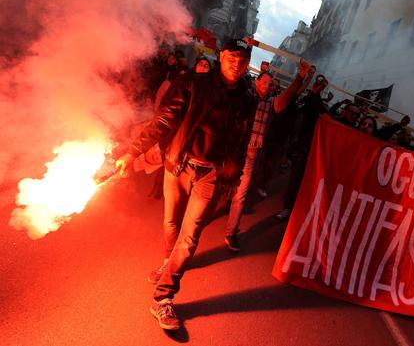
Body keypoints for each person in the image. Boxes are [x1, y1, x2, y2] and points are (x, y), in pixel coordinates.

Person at [115, 38, 256, 331]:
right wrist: (133, 152)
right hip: (179, 166)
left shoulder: (247, 99)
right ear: (221, 55)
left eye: (243, 60)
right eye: (232, 57)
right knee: (171, 224)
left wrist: (234, 176)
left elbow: (241, 142)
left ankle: (163, 298)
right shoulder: (195, 83)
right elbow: (164, 119)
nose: (237, 64)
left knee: (190, 237)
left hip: (211, 175)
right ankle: (168, 261)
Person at [224, 60, 314, 252]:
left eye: (270, 84)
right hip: (232, 149)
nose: (268, 86)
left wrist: (300, 77)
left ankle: (231, 233)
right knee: (220, 183)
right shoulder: (246, 96)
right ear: (257, 83)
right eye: (264, 82)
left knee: (241, 193)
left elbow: (288, 96)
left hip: (251, 154)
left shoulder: (272, 105)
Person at [276, 74, 329, 220]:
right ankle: (288, 208)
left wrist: (315, 95)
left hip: (313, 154)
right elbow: (307, 107)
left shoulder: (326, 116)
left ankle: (298, 209)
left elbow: (318, 112)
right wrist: (314, 93)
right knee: (294, 180)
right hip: (301, 148)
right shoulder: (305, 105)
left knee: (307, 184)